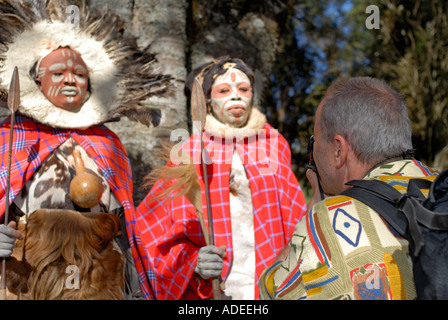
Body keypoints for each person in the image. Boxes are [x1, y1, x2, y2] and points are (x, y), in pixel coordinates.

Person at [0, 1, 172, 299]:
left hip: (100, 271)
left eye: (80, 75)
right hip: (25, 269)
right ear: (37, 80)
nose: (70, 79)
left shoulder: (108, 144)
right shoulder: (11, 135)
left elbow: (128, 223)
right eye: (58, 73)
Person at [135, 56, 307, 300]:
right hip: (212, 291)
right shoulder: (189, 153)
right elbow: (156, 228)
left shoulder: (274, 145)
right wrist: (193, 260)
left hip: (272, 282)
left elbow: (293, 217)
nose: (235, 96)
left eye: (243, 89)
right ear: (207, 100)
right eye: (224, 90)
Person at [259, 76, 439, 300]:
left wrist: (317, 204)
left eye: (314, 141)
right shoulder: (441, 188)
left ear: (338, 150)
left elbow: (270, 294)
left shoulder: (327, 221)